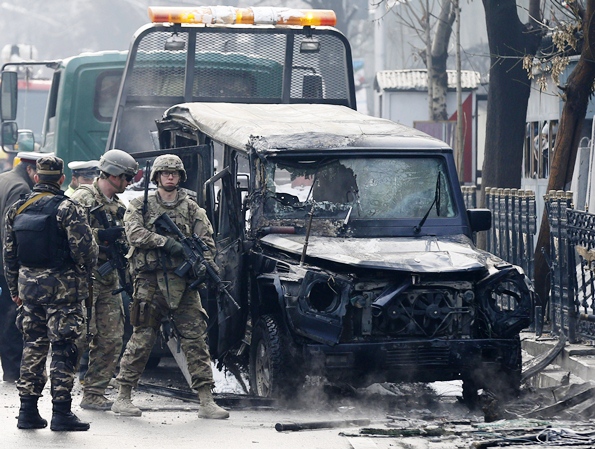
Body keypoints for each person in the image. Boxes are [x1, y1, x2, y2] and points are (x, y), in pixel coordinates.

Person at [112, 154, 229, 420]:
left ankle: (206, 400)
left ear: (180, 177)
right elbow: (134, 234)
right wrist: (167, 243)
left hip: (183, 284)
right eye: (165, 173)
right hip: (150, 282)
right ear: (156, 177)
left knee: (196, 339)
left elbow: (207, 243)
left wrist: (204, 265)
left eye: (174, 173)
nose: (170, 177)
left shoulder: (191, 209)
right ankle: (123, 396)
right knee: (142, 339)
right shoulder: (140, 205)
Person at [4, 155, 98, 431]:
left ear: (36, 178)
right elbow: (86, 252)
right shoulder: (69, 209)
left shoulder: (17, 209)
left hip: (29, 291)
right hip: (63, 293)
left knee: (33, 347)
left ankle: (27, 411)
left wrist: (15, 290)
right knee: (63, 348)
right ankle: (61, 413)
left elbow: (9, 256)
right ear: (61, 179)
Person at [71, 150, 137, 410]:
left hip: (108, 279)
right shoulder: (83, 198)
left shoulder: (119, 208)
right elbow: (71, 236)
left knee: (112, 338)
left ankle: (94, 392)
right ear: (113, 174)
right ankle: (61, 391)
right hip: (84, 279)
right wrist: (101, 236)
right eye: (126, 177)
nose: (129, 183)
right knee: (79, 338)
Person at [0, 152, 47, 383]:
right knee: (11, 316)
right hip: (5, 263)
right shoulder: (20, 189)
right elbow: (10, 231)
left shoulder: (4, 178)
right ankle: (12, 370)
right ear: (30, 170)